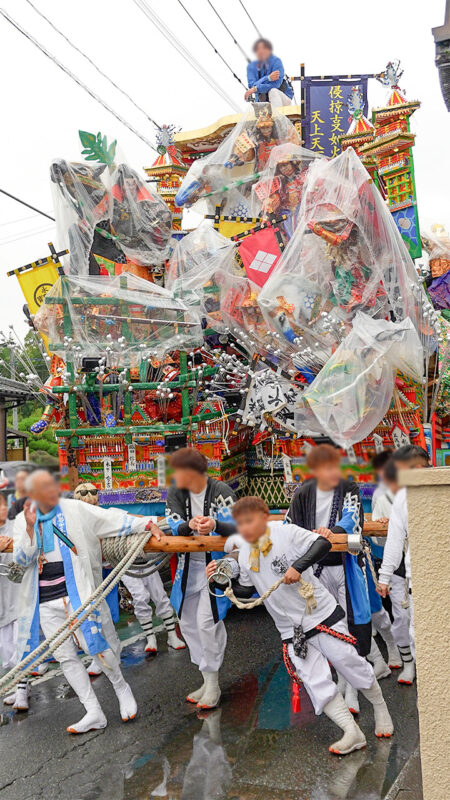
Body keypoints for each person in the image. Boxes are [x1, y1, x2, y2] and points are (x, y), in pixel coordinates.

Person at [207, 496, 393, 755]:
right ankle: (352, 731)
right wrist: (219, 581)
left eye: (250, 521)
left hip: (320, 615)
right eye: (241, 523)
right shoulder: (247, 552)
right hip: (290, 629)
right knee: (314, 681)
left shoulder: (285, 532)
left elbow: (322, 543)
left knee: (350, 664)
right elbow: (248, 590)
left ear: (263, 517)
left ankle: (380, 707)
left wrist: (298, 566)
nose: (245, 528)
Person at [11, 469, 163, 733]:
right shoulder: (22, 520)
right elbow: (22, 560)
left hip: (79, 593)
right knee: (65, 657)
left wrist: (147, 524)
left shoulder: (74, 509)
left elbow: (110, 518)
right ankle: (93, 711)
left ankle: (121, 688)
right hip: (45, 600)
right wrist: (29, 528)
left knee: (97, 647)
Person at [165, 447, 237, 709]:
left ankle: (213, 683)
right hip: (188, 567)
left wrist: (214, 525)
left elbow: (238, 525)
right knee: (187, 623)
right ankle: (206, 679)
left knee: (207, 622)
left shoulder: (221, 491)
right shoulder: (176, 492)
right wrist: (190, 525)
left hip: (215, 565)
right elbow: (174, 523)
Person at [377, 445, 430, 678]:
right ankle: (415, 669)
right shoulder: (401, 496)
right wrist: (384, 576)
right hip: (411, 575)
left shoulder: (440, 489)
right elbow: (394, 540)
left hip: (437, 573)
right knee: (410, 626)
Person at [0, 493, 19, 671]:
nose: (4, 508)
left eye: (4, 504)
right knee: (6, 653)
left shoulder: (16, 526)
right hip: (2, 599)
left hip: (18, 592)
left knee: (21, 642)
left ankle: (22, 685)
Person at [245, 38, 294, 108]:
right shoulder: (251, 67)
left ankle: (276, 115)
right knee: (250, 109)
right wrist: (268, 78)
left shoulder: (276, 62)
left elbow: (276, 84)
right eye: (258, 49)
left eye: (264, 49)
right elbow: (252, 86)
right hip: (263, 102)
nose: (261, 52)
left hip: (282, 99)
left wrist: (256, 88)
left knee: (273, 91)